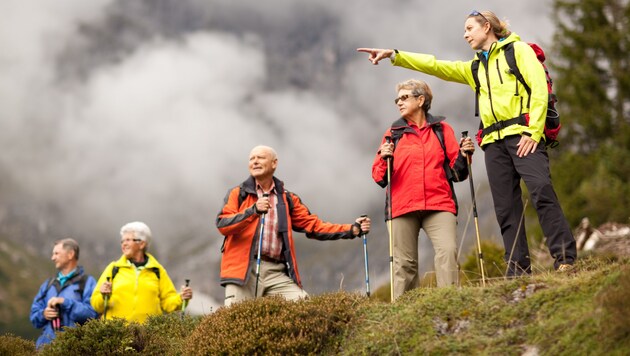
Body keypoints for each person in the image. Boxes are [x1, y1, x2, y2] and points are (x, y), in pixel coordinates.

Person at [357, 9, 577, 276]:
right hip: (494, 143)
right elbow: (436, 65)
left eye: (469, 29)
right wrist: (394, 55)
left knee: (542, 191)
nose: (465, 35)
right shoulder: (475, 68)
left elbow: (539, 90)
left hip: (523, 135)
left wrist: (533, 132)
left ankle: (565, 259)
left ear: (487, 27)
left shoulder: (518, 51)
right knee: (506, 207)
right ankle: (518, 269)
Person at [216, 145, 371, 306]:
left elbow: (314, 226)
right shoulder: (237, 194)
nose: (254, 162)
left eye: (260, 158)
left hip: (276, 271)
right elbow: (223, 224)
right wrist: (252, 211)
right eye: (251, 159)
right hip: (243, 272)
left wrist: (352, 229)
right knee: (238, 322)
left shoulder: (287, 199)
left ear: (274, 163)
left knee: (304, 306)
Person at [373, 79, 473, 299]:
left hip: (439, 203)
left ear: (421, 100)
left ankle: (450, 302)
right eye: (397, 99)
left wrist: (465, 155)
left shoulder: (442, 130)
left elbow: (459, 173)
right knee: (404, 264)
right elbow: (379, 177)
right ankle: (402, 315)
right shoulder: (393, 133)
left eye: (404, 97)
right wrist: (384, 157)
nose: (399, 102)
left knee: (447, 251)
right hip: (402, 207)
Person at [91, 222, 193, 322]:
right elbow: (95, 304)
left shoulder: (157, 270)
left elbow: (168, 303)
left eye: (128, 240)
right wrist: (103, 295)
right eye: (122, 241)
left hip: (148, 336)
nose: (124, 244)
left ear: (142, 243)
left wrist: (181, 298)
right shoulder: (114, 268)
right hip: (116, 335)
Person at [30, 238, 98, 349]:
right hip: (44, 349)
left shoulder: (87, 283)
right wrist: (44, 314)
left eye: (56, 253)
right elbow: (34, 317)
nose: (53, 258)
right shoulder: (48, 284)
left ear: (70, 254)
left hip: (74, 348)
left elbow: (91, 315)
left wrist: (65, 302)